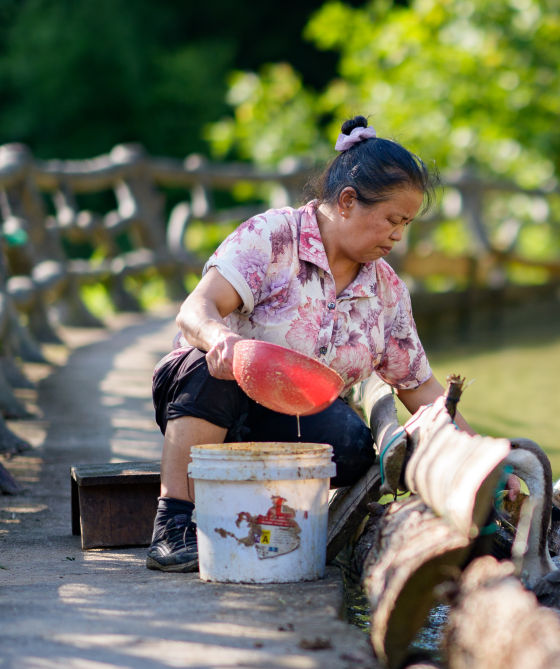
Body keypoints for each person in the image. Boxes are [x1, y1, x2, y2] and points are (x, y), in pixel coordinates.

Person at [147, 116, 471, 572]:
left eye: (407, 223)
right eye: (392, 220)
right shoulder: (273, 237)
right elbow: (195, 309)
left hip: (294, 414)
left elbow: (421, 390)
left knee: (357, 446)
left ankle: (275, 516)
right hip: (215, 396)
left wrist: (481, 456)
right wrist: (222, 341)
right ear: (347, 202)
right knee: (210, 370)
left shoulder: (387, 290)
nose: (399, 235)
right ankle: (173, 522)